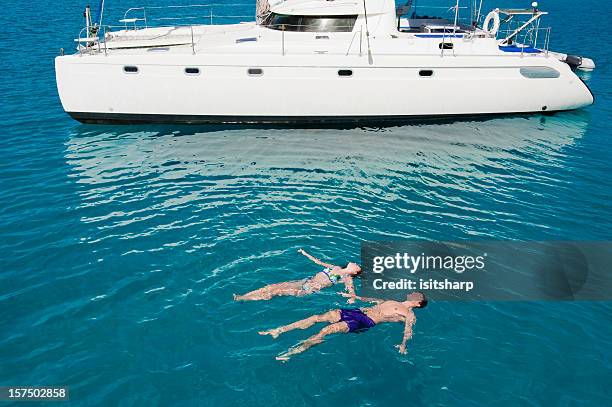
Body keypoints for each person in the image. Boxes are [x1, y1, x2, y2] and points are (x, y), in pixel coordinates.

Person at [259, 292, 428, 361]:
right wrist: (351, 295)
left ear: (419, 303)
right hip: (357, 311)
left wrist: (403, 345)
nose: (413, 291)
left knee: (325, 330)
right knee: (317, 317)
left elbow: (408, 330)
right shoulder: (394, 300)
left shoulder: (410, 314)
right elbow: (372, 300)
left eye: (417, 294)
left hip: (364, 322)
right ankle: (279, 330)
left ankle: (293, 352)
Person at [234, 249, 361, 301]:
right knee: (272, 286)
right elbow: (318, 261)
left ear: (355, 272)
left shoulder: (347, 278)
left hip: (310, 289)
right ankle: (244, 295)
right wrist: (305, 253)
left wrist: (351, 299)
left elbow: (352, 292)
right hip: (304, 281)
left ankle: (243, 299)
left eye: (357, 265)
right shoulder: (336, 267)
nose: (355, 263)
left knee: (276, 292)